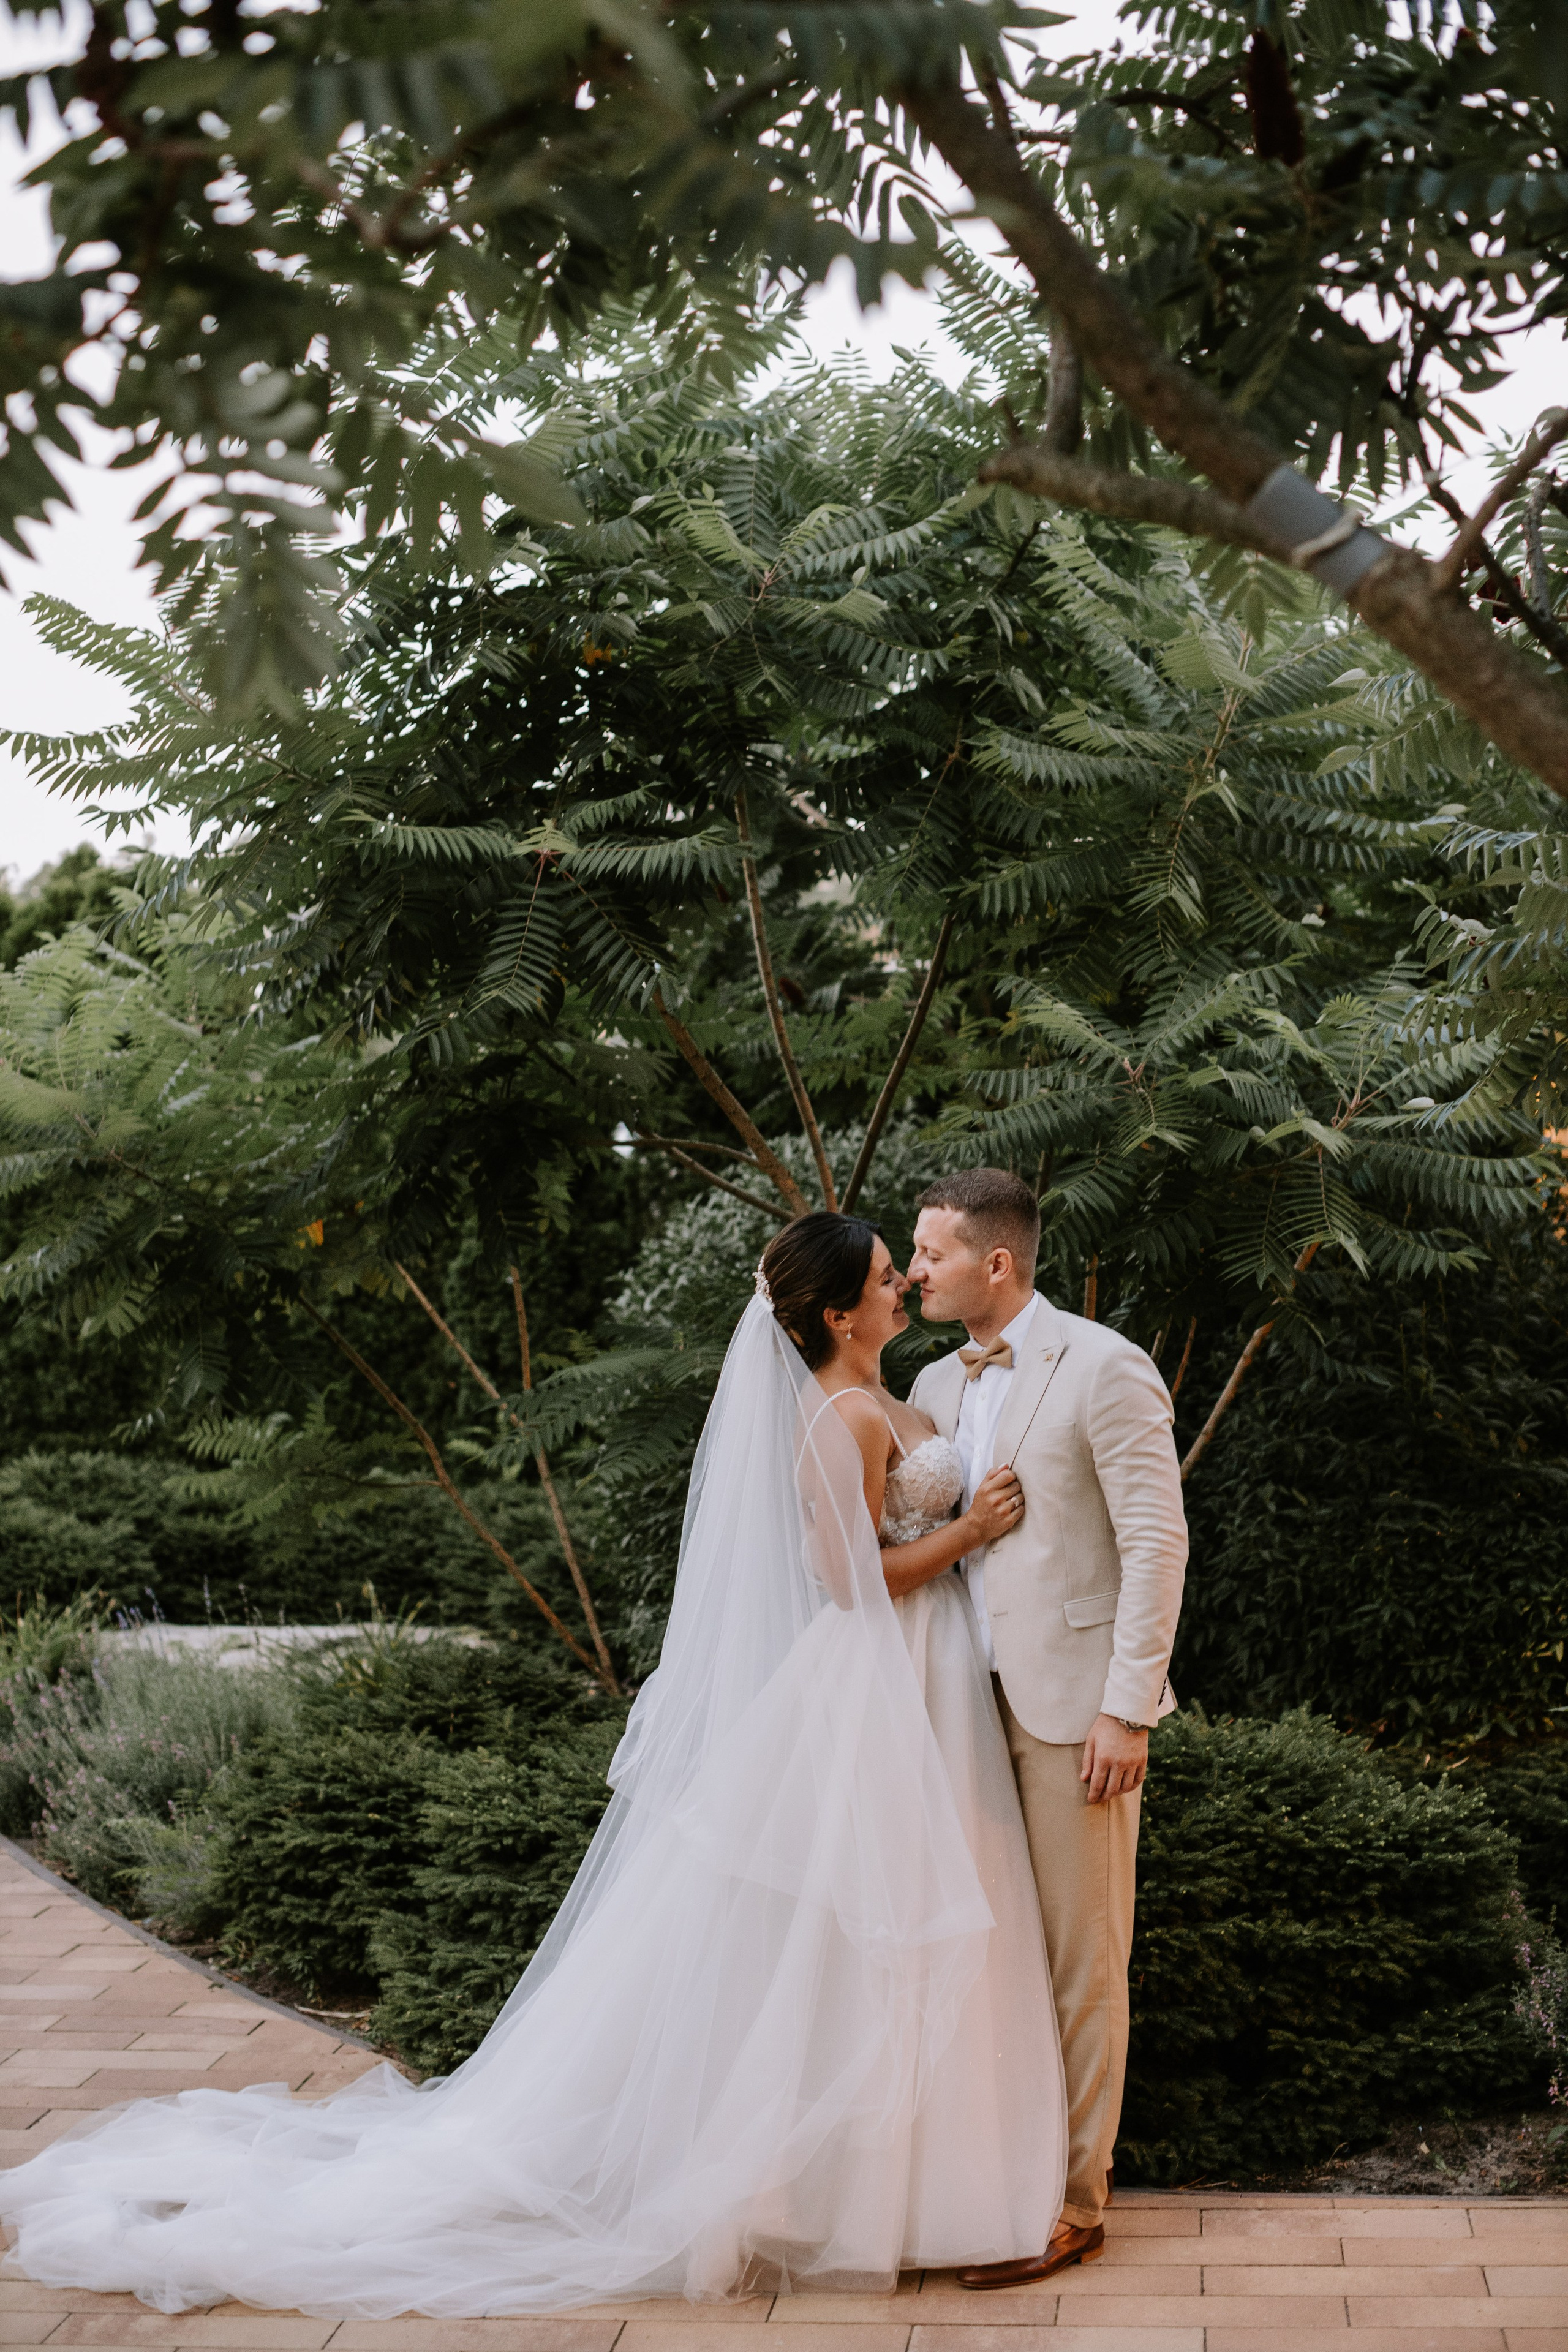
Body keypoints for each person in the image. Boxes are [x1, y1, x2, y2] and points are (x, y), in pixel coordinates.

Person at [0, 1212, 1065, 2319]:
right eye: (890, 1278)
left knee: (871, 1927)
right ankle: (817, 2193)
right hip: (869, 1680)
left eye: (904, 1272)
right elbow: (846, 1581)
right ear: (838, 1314)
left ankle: (881, 2188)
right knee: (851, 1922)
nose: (904, 1289)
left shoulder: (893, 1394)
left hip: (918, 1681)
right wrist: (969, 1534)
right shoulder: (840, 1414)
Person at [906, 1167, 1188, 2289]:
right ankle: (986, 2182)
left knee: (1082, 1964)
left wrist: (1127, 1707)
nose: (916, 1270)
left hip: (1075, 1716)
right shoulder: (929, 1376)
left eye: (930, 1253)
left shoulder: (1106, 1365)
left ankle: (1072, 2204)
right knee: (979, 1965)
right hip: (953, 1715)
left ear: (998, 1262)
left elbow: (1157, 1545)